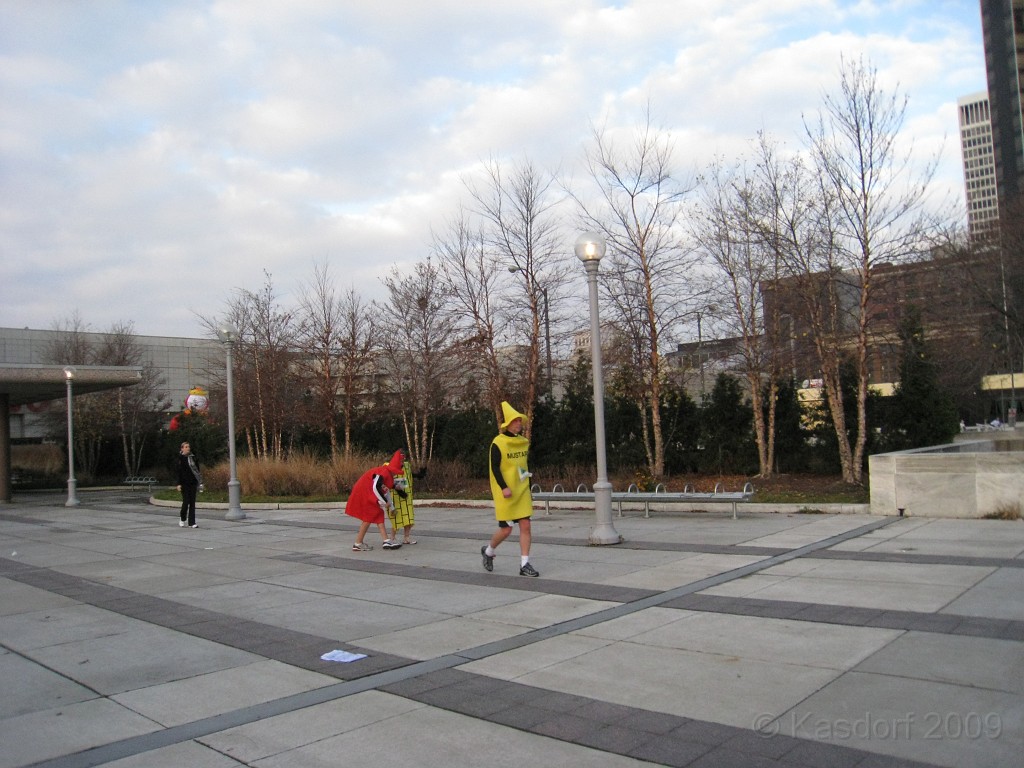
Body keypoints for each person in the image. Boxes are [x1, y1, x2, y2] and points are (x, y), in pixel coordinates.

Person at [481, 401, 538, 576]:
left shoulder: (523, 442)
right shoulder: (498, 442)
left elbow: (522, 465)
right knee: (506, 530)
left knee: (526, 526)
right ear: (508, 423)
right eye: (516, 421)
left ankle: (524, 564)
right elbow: (495, 468)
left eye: (520, 421)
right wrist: (504, 487)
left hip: (521, 491)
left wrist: (527, 485)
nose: (519, 423)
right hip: (505, 493)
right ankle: (489, 551)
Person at [346, 450, 406, 551]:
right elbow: (376, 486)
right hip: (364, 492)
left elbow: (386, 488)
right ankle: (358, 543)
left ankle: (386, 541)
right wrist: (384, 502)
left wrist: (391, 503)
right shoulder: (384, 472)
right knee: (369, 517)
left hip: (366, 492)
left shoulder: (387, 474)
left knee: (378, 515)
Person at [388, 458, 424, 545]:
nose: (402, 462)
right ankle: (392, 538)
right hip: (395, 497)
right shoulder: (388, 466)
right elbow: (386, 480)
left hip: (407, 495)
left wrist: (417, 475)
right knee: (396, 518)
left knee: (409, 517)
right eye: (400, 460)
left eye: (403, 460)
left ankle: (406, 537)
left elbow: (409, 475)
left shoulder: (406, 465)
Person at [175, 441, 202, 528]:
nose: (188, 448)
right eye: (185, 447)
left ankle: (192, 522)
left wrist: (199, 482)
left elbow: (197, 471)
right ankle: (182, 518)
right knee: (186, 502)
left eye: (188, 447)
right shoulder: (180, 458)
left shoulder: (193, 458)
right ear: (182, 449)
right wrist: (178, 484)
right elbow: (178, 472)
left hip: (193, 483)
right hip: (184, 484)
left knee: (192, 503)